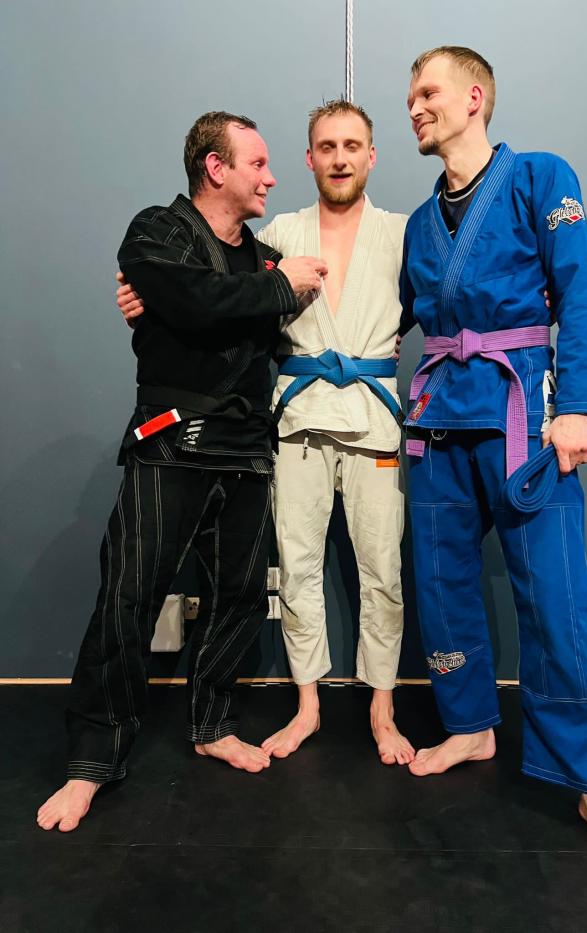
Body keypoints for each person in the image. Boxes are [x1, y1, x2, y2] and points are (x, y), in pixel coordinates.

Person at [400, 47, 587, 882]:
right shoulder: (417, 222)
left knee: (554, 600)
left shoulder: (541, 178)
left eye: (428, 92)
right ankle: (471, 725)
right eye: (410, 96)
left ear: (474, 97)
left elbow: (577, 291)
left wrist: (578, 403)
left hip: (522, 419)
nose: (415, 106)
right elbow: (384, 315)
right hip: (439, 425)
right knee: (442, 587)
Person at [37, 111, 327, 832]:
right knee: (128, 596)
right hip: (170, 443)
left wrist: (239, 296)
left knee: (238, 597)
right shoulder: (156, 233)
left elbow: (223, 318)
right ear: (215, 168)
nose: (271, 177)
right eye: (257, 163)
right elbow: (196, 302)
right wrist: (272, 290)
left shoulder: (262, 259)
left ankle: (213, 723)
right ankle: (91, 761)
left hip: (247, 448)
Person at [118, 101, 415, 766]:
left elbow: (438, 297)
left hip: (372, 415)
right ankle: (308, 704)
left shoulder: (402, 234)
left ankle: (382, 707)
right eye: (326, 147)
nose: (340, 158)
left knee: (383, 570)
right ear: (309, 158)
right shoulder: (277, 234)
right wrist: (142, 297)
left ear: (372, 155)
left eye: (353, 145)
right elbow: (204, 289)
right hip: (298, 417)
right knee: (297, 566)